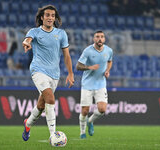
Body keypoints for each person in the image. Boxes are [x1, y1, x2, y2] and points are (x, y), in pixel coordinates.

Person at [22, 5, 74, 141]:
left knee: (41, 106)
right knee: (50, 98)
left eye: (52, 15)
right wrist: (27, 43)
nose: (50, 18)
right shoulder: (35, 31)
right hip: (38, 70)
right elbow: (28, 39)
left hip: (54, 74)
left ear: (55, 18)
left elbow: (67, 56)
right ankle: (53, 135)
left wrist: (70, 73)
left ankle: (27, 124)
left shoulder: (61, 34)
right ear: (42, 17)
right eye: (47, 15)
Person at [76, 30, 113, 139]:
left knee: (102, 110)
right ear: (94, 39)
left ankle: (90, 121)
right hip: (87, 85)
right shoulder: (88, 51)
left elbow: (110, 61)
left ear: (104, 39)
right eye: (97, 37)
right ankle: (82, 132)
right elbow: (78, 66)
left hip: (101, 84)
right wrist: (89, 67)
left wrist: (107, 70)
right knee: (85, 111)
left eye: (102, 37)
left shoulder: (109, 50)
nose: (100, 39)